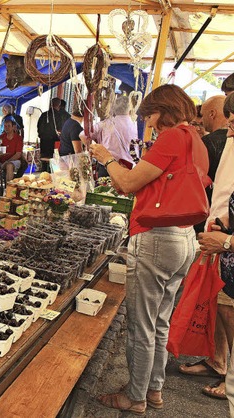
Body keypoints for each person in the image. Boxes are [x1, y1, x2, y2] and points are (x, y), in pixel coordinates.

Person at [90, 84, 209, 415]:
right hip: (184, 237)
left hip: (158, 237)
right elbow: (154, 179)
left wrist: (107, 159)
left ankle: (136, 396)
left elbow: (128, 184)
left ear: (164, 110)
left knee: (141, 324)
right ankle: (153, 389)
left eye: (152, 116)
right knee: (159, 321)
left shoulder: (172, 137)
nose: (150, 124)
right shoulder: (194, 140)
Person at [185, 93, 234, 402]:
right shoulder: (227, 141)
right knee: (223, 304)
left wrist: (227, 240)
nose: (228, 129)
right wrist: (224, 222)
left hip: (226, 244)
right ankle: (221, 364)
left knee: (227, 308)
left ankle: (225, 370)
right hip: (221, 234)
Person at [193, 95, 228, 234]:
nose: (202, 120)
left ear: (212, 113)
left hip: (208, 213)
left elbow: (196, 181)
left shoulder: (207, 142)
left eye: (202, 115)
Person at [87, 95, 137, 177]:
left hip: (107, 165)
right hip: (128, 166)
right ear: (130, 109)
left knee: (103, 188)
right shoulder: (135, 124)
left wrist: (96, 145)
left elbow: (83, 135)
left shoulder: (106, 123)